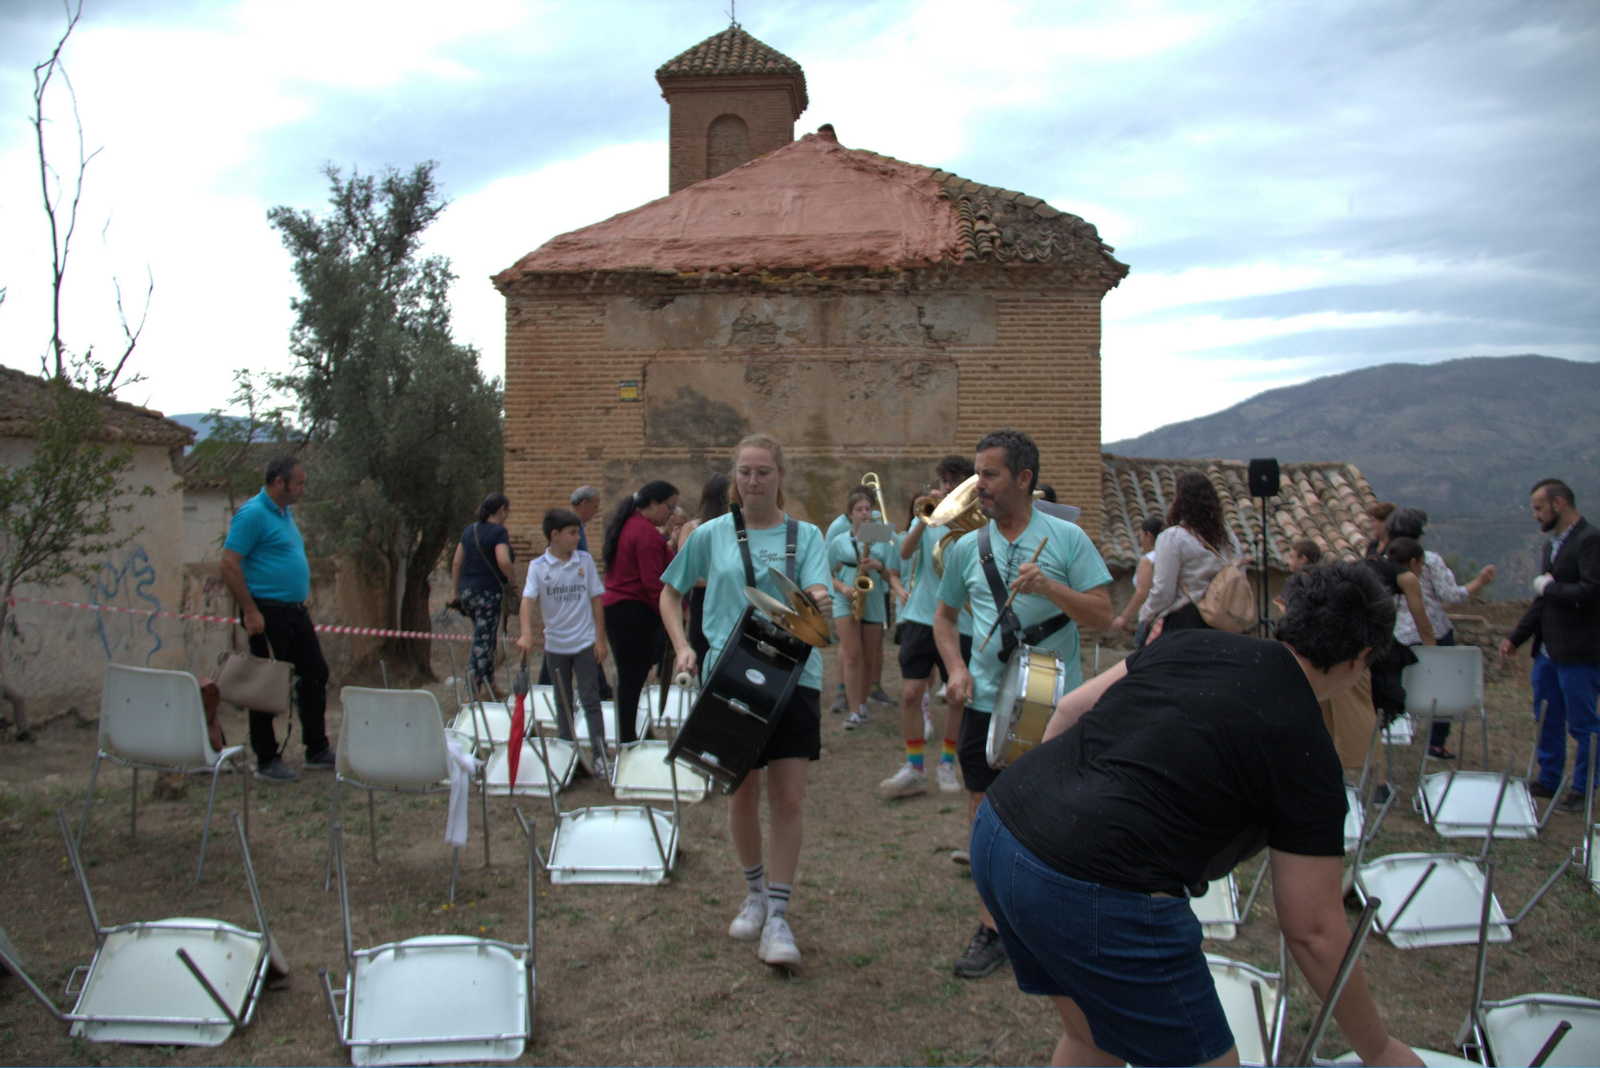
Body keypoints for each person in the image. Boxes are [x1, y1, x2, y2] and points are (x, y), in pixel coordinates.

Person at [972, 562, 1423, 1068]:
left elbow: (1072, 709)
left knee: (1091, 1038)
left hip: (1001, 828)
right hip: (1096, 885)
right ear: (1360, 657)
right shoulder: (1307, 750)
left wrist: (1048, 808)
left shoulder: (1190, 642)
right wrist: (1379, 1050)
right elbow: (1313, 931)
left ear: (1286, 615)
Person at [936, 429, 1113, 980]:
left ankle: (1056, 920)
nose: (978, 486)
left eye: (988, 475)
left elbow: (1105, 616)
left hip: (1054, 703)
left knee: (1058, 814)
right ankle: (993, 928)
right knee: (984, 813)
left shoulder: (1066, 539)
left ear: (1024, 479)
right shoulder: (967, 546)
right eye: (977, 474)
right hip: (987, 700)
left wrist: (1052, 590)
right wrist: (958, 669)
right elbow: (944, 619)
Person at [660, 434, 830, 971]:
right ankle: (753, 893)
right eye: (745, 472)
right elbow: (669, 592)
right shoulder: (710, 535)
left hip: (792, 680)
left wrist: (821, 599)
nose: (753, 481)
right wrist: (684, 646)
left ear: (781, 475)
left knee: (788, 800)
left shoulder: (807, 536)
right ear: (735, 477)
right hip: (727, 678)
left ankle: (778, 913)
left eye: (763, 472)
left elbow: (820, 597)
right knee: (740, 796)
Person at [219, 455, 335, 782]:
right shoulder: (253, 514)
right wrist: (250, 610)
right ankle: (267, 758)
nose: (303, 489)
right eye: (298, 483)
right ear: (278, 482)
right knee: (266, 684)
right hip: (266, 611)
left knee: (315, 672)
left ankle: (316, 748)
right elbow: (229, 563)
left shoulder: (284, 515)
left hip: (294, 611)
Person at [1501, 478, 1600, 812]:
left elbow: (1591, 592)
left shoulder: (1590, 541)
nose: (1534, 515)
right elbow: (1543, 602)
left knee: (1584, 723)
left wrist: (1549, 588)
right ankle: (1549, 778)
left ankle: (1584, 788)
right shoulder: (1551, 546)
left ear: (1559, 504)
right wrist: (1517, 637)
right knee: (1547, 717)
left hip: (1579, 652)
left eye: (1538, 508)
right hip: (1547, 652)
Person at [880, 455, 976, 800]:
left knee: (956, 697)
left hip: (961, 621)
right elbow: (904, 553)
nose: (947, 488)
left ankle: (947, 763)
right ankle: (915, 767)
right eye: (944, 481)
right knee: (910, 693)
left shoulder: (977, 524)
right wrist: (925, 518)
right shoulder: (929, 521)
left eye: (954, 482)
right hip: (921, 616)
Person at [1383, 507, 1496, 758]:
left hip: (1396, 636)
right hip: (1434, 633)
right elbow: (1451, 595)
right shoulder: (1429, 560)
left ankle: (1389, 728)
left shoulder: (1382, 561)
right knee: (1443, 684)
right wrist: (1480, 581)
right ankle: (1436, 743)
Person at [517, 508, 610, 779]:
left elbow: (596, 599)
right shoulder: (538, 567)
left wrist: (600, 638)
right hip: (555, 647)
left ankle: (601, 756)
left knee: (591, 699)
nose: (577, 537)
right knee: (562, 701)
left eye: (578, 532)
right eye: (572, 533)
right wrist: (525, 632)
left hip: (583, 644)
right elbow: (527, 600)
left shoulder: (584, 561)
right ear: (554, 535)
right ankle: (567, 754)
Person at [601, 480, 679, 746]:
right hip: (633, 612)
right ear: (653, 503)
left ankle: (631, 734)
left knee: (631, 678)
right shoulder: (644, 532)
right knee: (631, 679)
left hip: (621, 610)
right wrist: (677, 617)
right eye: (670, 506)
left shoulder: (629, 525)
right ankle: (627, 739)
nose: (672, 512)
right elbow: (653, 584)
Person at [828, 487, 897, 730]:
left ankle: (862, 700)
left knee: (869, 656)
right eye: (859, 510)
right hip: (845, 598)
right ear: (850, 515)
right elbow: (826, 574)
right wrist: (843, 588)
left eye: (868, 509)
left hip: (875, 598)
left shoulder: (882, 536)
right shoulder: (838, 541)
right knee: (852, 654)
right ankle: (854, 709)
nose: (865, 514)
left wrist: (879, 566)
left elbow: (893, 575)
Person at [1137, 471, 1236, 639]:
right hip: (1222, 621)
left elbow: (1163, 592)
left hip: (1185, 621)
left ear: (1179, 501)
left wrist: (1145, 616)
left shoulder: (1172, 538)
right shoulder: (1228, 537)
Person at [450, 493, 514, 699]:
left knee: (485, 637)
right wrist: (513, 582)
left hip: (467, 592)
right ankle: (474, 690)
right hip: (487, 592)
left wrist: (454, 592)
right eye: (508, 511)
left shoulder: (470, 530)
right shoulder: (499, 532)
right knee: (482, 642)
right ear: (501, 510)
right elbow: (503, 561)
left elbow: (456, 562)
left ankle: (490, 684)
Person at [679, 473, 731, 675]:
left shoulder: (693, 528)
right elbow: (684, 571)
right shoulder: (694, 528)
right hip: (716, 595)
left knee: (708, 651)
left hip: (708, 597)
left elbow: (685, 571)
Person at [1109, 516, 1163, 643]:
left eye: (1141, 535)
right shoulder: (1168, 557)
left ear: (1148, 536)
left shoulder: (1148, 560)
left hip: (1149, 618)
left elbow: (1142, 593)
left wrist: (1124, 617)